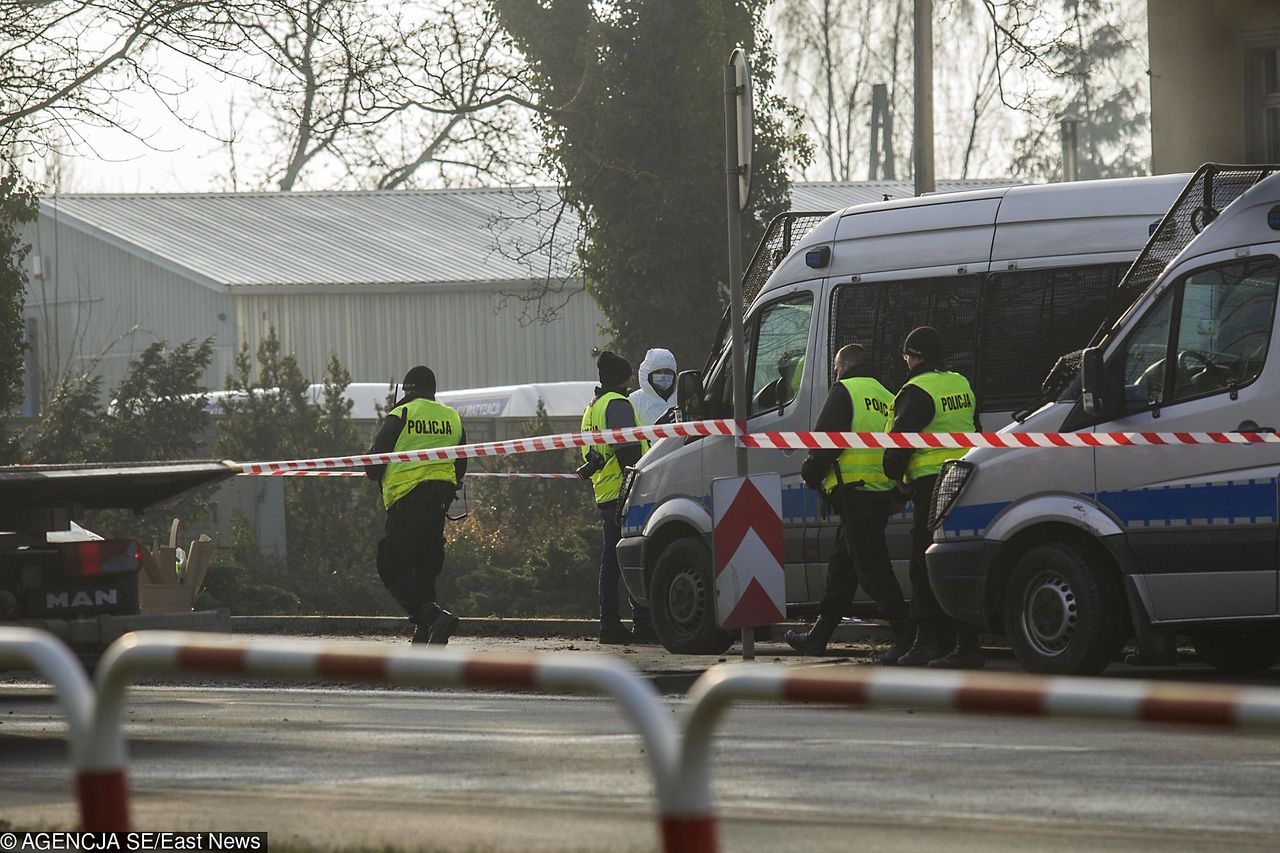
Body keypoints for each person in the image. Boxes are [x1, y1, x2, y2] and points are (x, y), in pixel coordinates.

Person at [790, 344, 914, 663]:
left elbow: (825, 444)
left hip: (854, 493)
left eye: (835, 368)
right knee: (843, 570)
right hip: (881, 494)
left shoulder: (844, 391)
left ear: (843, 366)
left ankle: (906, 635)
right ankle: (818, 636)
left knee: (873, 570)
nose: (835, 374)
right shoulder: (888, 395)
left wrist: (811, 474)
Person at [883, 327, 984, 669]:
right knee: (958, 558)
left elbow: (900, 442)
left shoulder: (916, 389)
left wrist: (895, 476)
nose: (906, 361)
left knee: (923, 560)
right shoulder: (960, 383)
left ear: (917, 356)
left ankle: (927, 642)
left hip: (931, 484)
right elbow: (977, 430)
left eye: (907, 355)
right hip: (967, 478)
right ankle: (966, 643)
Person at [365, 366, 466, 645]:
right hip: (439, 502)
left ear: (407, 390)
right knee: (424, 567)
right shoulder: (452, 417)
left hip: (407, 500)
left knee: (392, 565)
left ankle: (433, 618)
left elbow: (374, 465)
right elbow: (462, 463)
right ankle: (427, 633)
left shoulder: (402, 413)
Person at [580, 352, 657, 645]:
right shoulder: (618, 404)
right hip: (627, 490)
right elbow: (628, 451)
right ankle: (639, 624)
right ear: (622, 379)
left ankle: (611, 624)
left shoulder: (593, 408)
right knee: (628, 559)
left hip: (606, 491)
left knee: (612, 561)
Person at [629, 348, 678, 426]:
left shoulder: (680, 396)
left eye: (667, 372)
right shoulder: (635, 400)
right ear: (648, 376)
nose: (663, 376)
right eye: (658, 372)